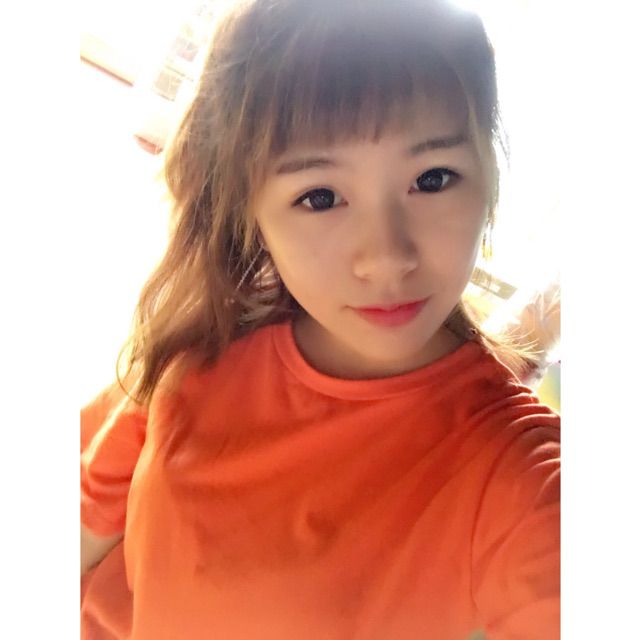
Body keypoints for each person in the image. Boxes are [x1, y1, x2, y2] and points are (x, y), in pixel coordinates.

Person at [81, 1, 560, 638]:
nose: (386, 257)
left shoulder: (518, 474)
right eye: (320, 196)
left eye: (433, 178)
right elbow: (84, 526)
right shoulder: (203, 343)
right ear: (249, 208)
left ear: (490, 180)